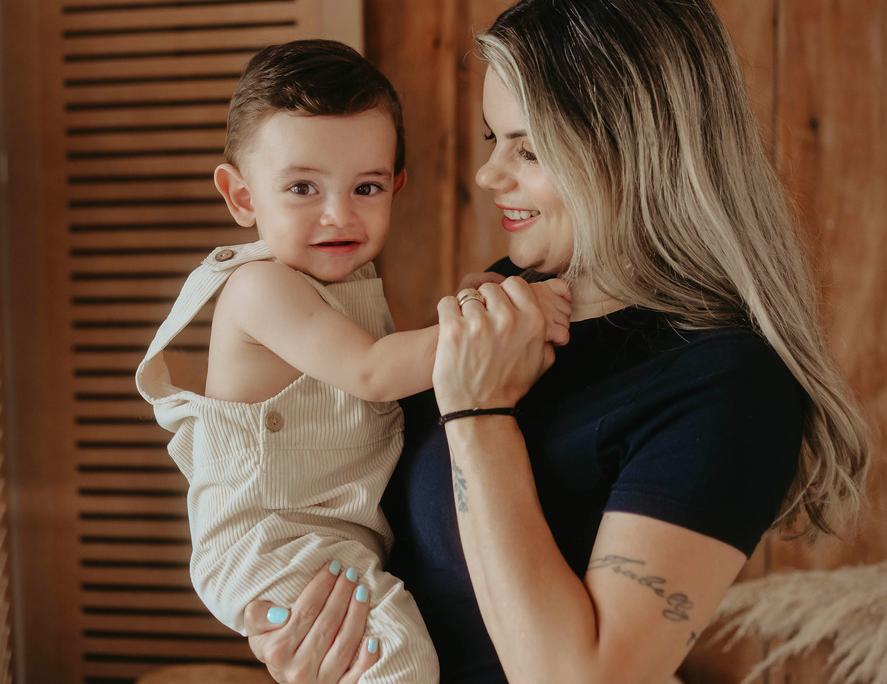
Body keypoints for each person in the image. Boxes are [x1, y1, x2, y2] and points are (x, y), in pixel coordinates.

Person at [240, 0, 872, 684]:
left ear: (637, 152)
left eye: (530, 149)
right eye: (492, 139)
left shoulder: (729, 383)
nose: (488, 174)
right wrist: (309, 631)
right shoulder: (517, 293)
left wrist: (478, 412)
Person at [135, 40, 571, 684]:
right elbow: (373, 372)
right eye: (302, 188)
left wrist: (468, 301)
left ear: (396, 185)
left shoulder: (343, 283)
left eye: (366, 187)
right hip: (273, 541)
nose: (338, 214)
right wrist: (497, 315)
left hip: (332, 534)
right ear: (242, 197)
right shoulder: (260, 289)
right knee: (398, 661)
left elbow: (388, 367)